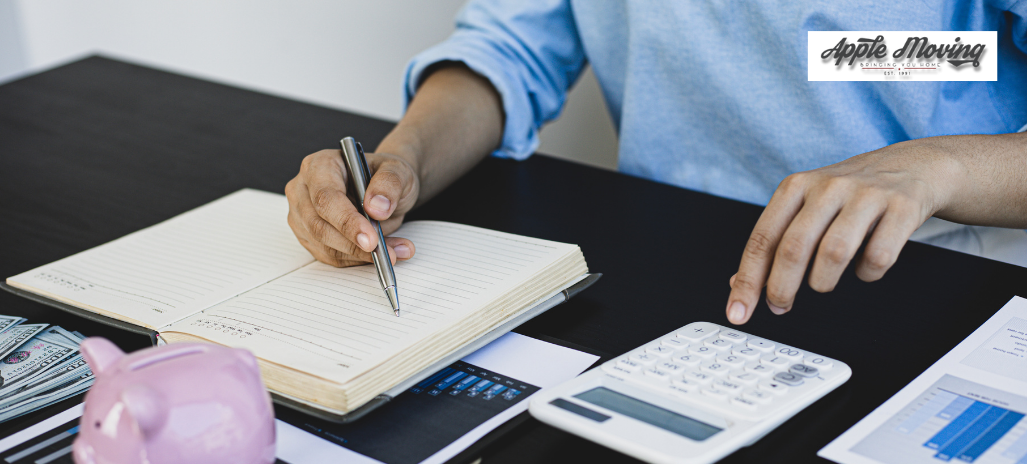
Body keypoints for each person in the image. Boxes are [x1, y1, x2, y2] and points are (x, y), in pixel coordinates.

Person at [285, 1, 1027, 326]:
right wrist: (401, 159)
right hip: (672, 268)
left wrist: (939, 168)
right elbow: (509, 49)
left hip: (935, 280)